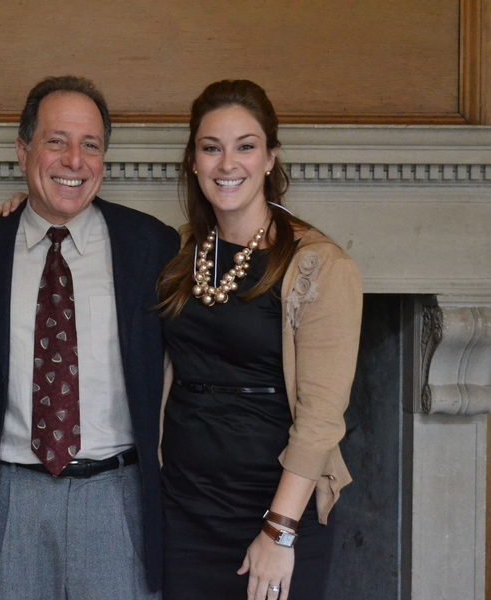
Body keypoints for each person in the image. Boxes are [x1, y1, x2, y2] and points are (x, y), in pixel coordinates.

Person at [0, 76, 179, 600]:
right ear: (23, 150)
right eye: (56, 141)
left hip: (118, 501)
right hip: (8, 501)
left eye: (90, 145)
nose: (74, 160)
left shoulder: (152, 247)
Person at [157, 80, 362, 600]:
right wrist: (27, 203)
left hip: (274, 510)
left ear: (270, 157)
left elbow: (321, 418)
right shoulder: (177, 251)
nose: (228, 163)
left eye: (245, 146)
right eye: (211, 148)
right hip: (184, 510)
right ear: (194, 160)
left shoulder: (319, 264)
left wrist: (279, 530)